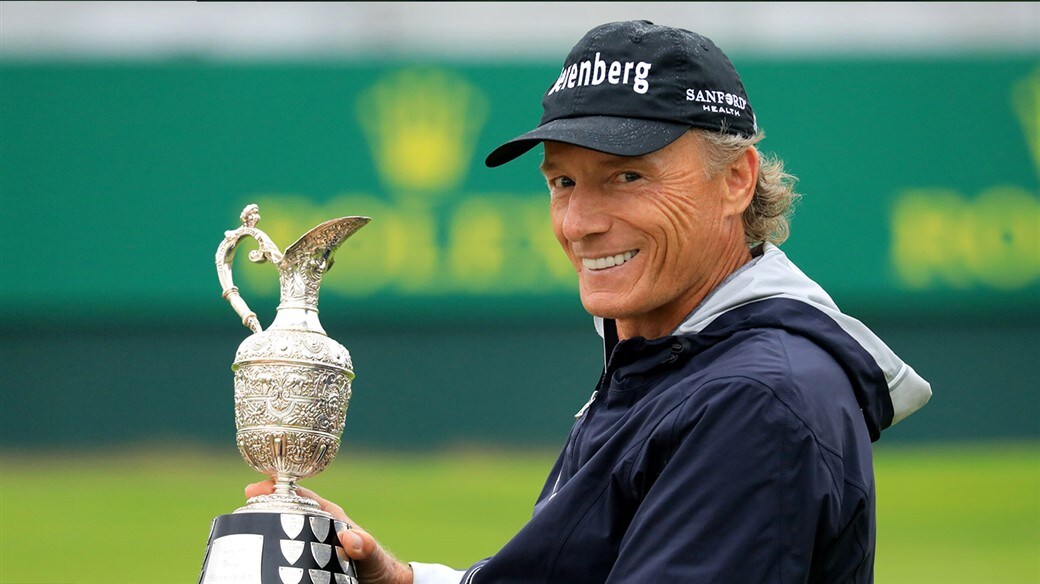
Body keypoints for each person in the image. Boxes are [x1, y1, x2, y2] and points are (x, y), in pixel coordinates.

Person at [247, 20, 932, 583]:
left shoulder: (753, 397)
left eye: (627, 176)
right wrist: (405, 582)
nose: (580, 223)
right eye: (563, 183)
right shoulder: (674, 362)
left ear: (736, 180)